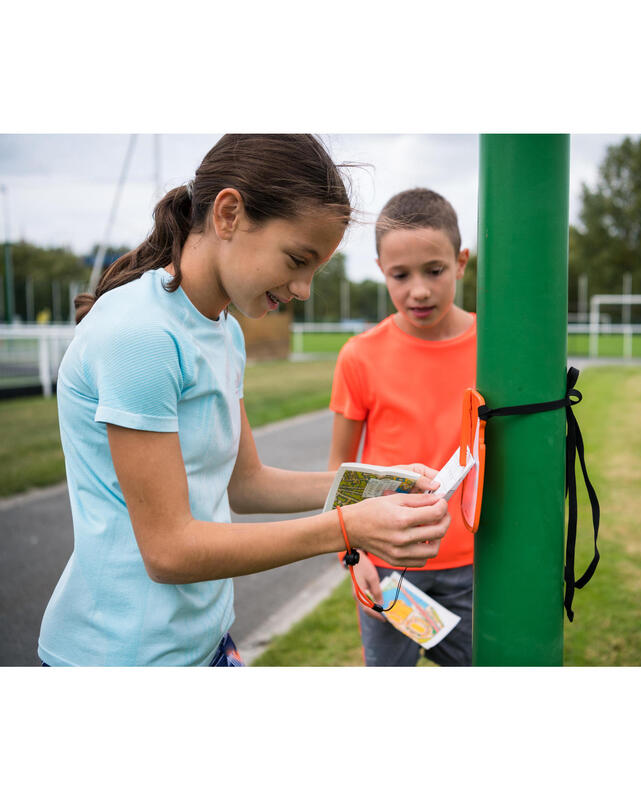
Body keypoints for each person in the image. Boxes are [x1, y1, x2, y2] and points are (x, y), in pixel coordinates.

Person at [38, 135, 450, 667]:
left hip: (205, 645)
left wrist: (383, 483)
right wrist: (347, 528)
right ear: (229, 213)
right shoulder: (138, 333)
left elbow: (247, 484)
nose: (303, 290)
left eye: (315, 271)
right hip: (118, 657)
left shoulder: (224, 332)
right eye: (298, 259)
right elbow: (169, 551)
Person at [328, 187, 475, 666]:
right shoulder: (359, 356)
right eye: (400, 274)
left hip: (475, 565)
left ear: (461, 262)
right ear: (380, 271)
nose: (419, 290)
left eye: (435, 270)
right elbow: (340, 473)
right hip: (388, 565)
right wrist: (354, 555)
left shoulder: (494, 349)